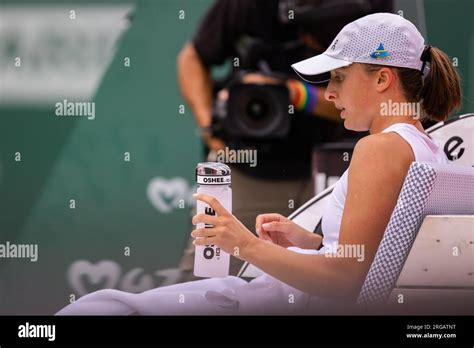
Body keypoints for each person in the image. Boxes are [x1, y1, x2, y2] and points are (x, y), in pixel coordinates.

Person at [56, 12, 460, 315]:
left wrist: (242, 243)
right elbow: (373, 256)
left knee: (100, 309)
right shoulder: (426, 146)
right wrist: (311, 242)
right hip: (279, 298)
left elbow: (344, 280)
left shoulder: (379, 149)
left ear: (383, 79)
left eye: (338, 77)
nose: (329, 94)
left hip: (278, 302)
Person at [176, 0, 392, 280]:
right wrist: (210, 125)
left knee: (332, 276)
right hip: (249, 165)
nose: (307, 38)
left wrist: (294, 94)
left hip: (335, 169)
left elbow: (344, 278)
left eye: (317, 30)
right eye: (300, 28)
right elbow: (192, 58)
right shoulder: (245, 7)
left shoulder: (369, 11)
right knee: (205, 278)